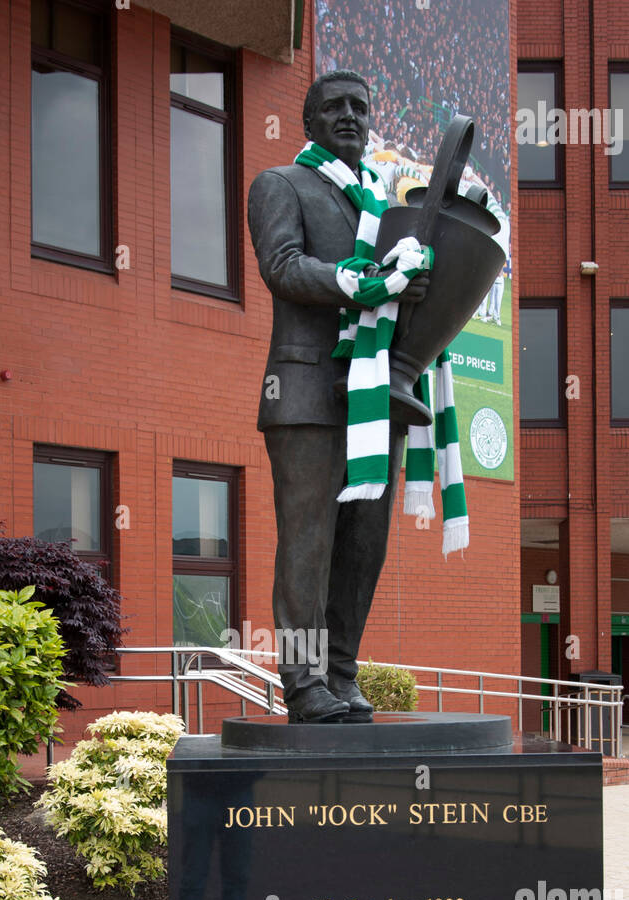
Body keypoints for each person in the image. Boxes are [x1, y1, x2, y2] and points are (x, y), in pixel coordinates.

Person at [248, 71, 429, 723]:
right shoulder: (281, 185)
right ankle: (302, 681)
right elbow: (283, 266)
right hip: (304, 393)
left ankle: (342, 673)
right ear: (310, 121)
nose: (349, 116)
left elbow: (394, 290)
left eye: (359, 106)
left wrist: (409, 287)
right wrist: (368, 283)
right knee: (309, 541)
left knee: (363, 544)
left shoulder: (382, 205)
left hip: (376, 393)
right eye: (334, 107)